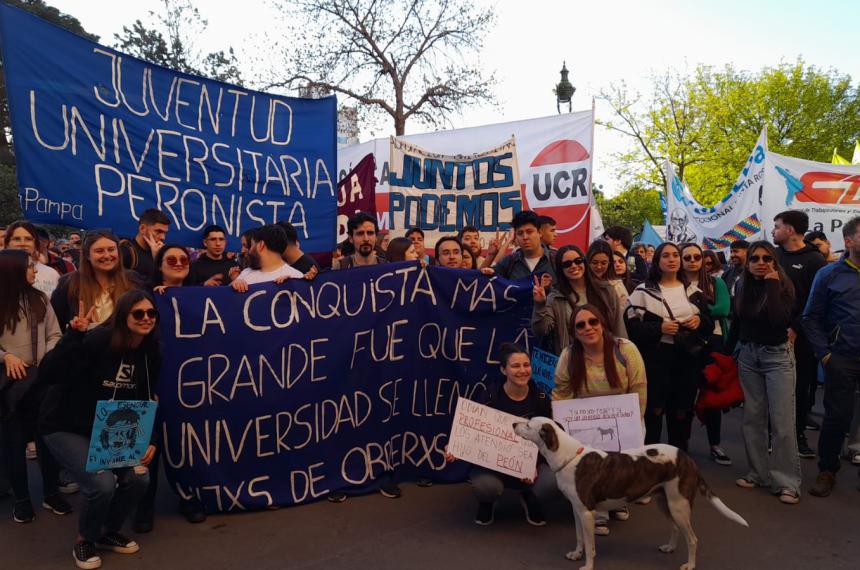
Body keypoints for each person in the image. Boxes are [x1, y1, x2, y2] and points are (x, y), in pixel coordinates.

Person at [39, 290, 161, 568]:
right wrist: (73, 335)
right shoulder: (98, 340)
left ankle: (107, 531)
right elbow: (50, 373)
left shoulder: (151, 351)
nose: (146, 318)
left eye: (151, 313)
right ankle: (85, 540)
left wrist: (149, 439)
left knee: (139, 478)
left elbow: (147, 396)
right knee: (101, 483)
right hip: (66, 424)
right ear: (122, 316)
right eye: (138, 313)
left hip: (111, 427)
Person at [552, 304, 646, 535]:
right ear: (574, 331)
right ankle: (599, 512)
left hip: (625, 416)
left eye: (593, 322)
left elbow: (639, 387)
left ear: (602, 323)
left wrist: (635, 421)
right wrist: (563, 424)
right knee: (593, 464)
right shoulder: (568, 355)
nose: (588, 328)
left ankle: (619, 500)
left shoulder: (626, 349)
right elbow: (561, 391)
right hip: (584, 421)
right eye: (580, 325)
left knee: (621, 463)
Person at [134, 245, 207, 531]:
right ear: (159, 265)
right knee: (147, 445)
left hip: (189, 385)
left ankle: (190, 497)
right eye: (171, 259)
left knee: (186, 443)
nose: (178, 263)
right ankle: (143, 505)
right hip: (150, 380)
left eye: (183, 259)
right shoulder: (146, 297)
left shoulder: (203, 296)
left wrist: (236, 286)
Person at [444, 343, 557, 526]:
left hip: (531, 466)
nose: (522, 370)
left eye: (526, 365)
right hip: (494, 467)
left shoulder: (541, 399)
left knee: (551, 483)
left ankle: (530, 496)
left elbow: (548, 440)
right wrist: (455, 446)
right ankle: (487, 503)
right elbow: (471, 433)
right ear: (503, 370)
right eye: (515, 366)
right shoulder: (488, 397)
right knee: (486, 487)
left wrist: (532, 465)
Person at [729, 241, 801, 505]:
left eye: (766, 258)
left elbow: (779, 322)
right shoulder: (741, 285)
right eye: (755, 259)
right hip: (748, 356)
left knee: (782, 422)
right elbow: (737, 322)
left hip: (777, 357)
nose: (761, 262)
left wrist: (771, 284)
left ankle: (787, 482)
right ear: (747, 263)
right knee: (752, 418)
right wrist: (725, 356)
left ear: (774, 261)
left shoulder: (783, 286)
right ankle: (758, 473)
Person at [0, 250, 69, 524]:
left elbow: (55, 333)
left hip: (40, 381)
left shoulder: (40, 298)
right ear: (14, 269)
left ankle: (51, 493)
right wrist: (6, 357)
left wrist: (46, 358)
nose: (36, 271)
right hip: (10, 385)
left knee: (48, 440)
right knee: (14, 444)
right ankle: (22, 500)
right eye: (30, 267)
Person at [624, 242, 713, 452]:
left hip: (686, 359)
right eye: (666, 255)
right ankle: (652, 461)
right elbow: (632, 328)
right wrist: (659, 328)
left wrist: (699, 321)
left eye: (675, 255)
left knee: (682, 412)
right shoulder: (642, 291)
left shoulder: (694, 291)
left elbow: (709, 324)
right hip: (656, 359)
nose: (672, 259)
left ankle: (679, 460)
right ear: (657, 260)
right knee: (654, 411)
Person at [803, 216, 860, 497]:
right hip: (843, 358)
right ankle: (827, 470)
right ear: (848, 241)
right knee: (838, 417)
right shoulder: (829, 275)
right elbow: (811, 318)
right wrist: (825, 355)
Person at [772, 210, 827, 458]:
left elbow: (814, 301)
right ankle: (775, 435)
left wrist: (796, 326)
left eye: (777, 226)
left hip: (803, 338)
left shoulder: (814, 260)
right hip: (772, 335)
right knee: (773, 389)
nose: (774, 231)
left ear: (790, 230)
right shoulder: (773, 256)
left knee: (801, 386)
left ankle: (798, 434)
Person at [680, 243, 732, 466]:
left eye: (696, 257)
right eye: (687, 257)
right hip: (684, 343)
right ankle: (682, 444)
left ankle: (715, 443)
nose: (692, 261)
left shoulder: (715, 282)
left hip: (714, 341)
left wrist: (695, 311)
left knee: (711, 395)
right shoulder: (675, 284)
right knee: (684, 394)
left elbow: (723, 309)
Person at [532, 245, 626, 356]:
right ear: (560, 269)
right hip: (573, 361)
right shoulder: (556, 297)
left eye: (578, 261)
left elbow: (618, 326)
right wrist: (539, 304)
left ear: (584, 262)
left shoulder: (606, 290)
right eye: (567, 264)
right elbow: (541, 330)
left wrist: (624, 354)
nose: (574, 266)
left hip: (607, 356)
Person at [52, 231, 141, 330]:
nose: (107, 255)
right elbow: (56, 326)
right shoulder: (68, 283)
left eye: (111, 249)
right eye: (99, 251)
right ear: (87, 255)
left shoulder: (133, 280)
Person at [231, 225, 304, 292]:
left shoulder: (294, 277)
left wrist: (292, 286)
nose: (249, 251)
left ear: (261, 245)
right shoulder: (246, 273)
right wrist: (234, 284)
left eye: (252, 245)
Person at [492, 211, 556, 285]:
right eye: (520, 233)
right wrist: (490, 256)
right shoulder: (508, 262)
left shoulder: (556, 260)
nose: (525, 237)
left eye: (529, 232)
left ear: (540, 233)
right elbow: (482, 281)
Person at [5, 220, 61, 297]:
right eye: (16, 239)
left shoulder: (51, 274)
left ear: (36, 243)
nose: (22, 243)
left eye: (28, 239)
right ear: (7, 243)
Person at [119, 209, 171, 281]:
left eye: (165, 233)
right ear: (142, 228)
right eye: (158, 231)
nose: (163, 237)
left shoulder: (163, 254)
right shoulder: (125, 251)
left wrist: (159, 258)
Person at [587, 240, 628, 308]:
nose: (599, 267)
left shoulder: (617, 286)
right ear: (588, 261)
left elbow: (623, 314)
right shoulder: (580, 283)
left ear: (609, 263)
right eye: (595, 262)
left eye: (603, 263)